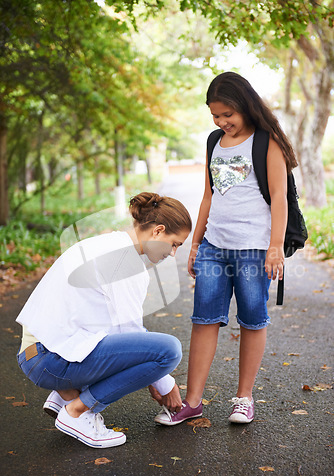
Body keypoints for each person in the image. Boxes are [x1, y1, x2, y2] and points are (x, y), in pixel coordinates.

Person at [155, 71, 297, 426]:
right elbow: (208, 195)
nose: (222, 122)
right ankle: (192, 402)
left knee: (252, 319)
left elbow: (279, 197)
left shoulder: (267, 141)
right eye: (215, 116)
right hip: (215, 247)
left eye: (227, 115)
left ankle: (244, 398)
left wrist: (275, 246)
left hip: (254, 249)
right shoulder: (214, 142)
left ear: (245, 106)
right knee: (204, 319)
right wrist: (196, 242)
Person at [16, 192, 192, 448]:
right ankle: (77, 411)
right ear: (158, 231)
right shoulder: (126, 262)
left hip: (35, 352)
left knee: (128, 341)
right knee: (168, 352)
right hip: (48, 359)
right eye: (174, 243)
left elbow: (116, 327)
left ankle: (64, 395)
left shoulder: (108, 244)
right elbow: (130, 334)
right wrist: (166, 383)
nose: (173, 253)